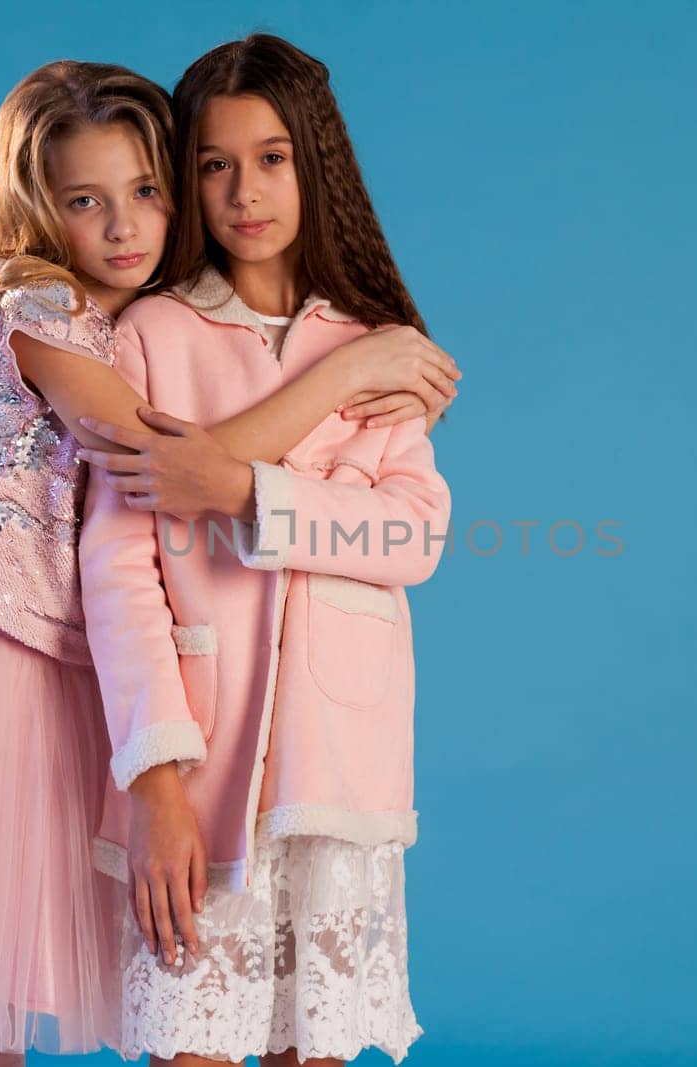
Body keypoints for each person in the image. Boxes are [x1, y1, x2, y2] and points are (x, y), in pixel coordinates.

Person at [0, 58, 458, 1066]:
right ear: (42, 209)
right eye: (89, 200)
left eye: (144, 192)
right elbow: (170, 465)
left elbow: (410, 530)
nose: (125, 224)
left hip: (94, 683)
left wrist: (343, 380)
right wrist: (346, 378)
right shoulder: (68, 319)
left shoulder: (148, 323)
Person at [77, 34, 452, 1066]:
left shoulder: (373, 343)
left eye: (273, 156)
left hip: (338, 769)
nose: (245, 190)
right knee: (189, 1044)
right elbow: (119, 565)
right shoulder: (150, 334)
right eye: (214, 162)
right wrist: (152, 774)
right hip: (199, 762)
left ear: (315, 164)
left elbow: (412, 531)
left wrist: (244, 490)